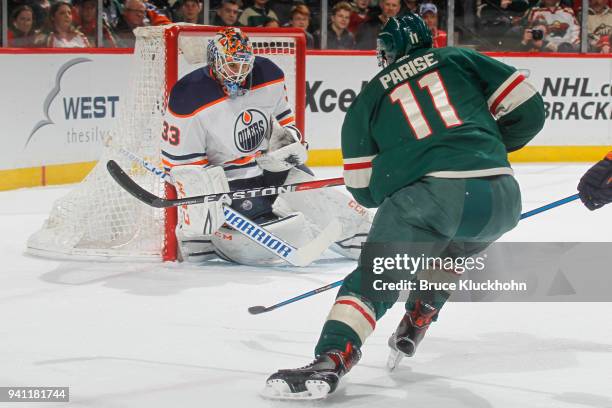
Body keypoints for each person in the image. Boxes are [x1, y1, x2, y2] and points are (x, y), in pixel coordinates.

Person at [264, 13, 545, 400]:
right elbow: (530, 110)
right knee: (449, 254)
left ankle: (334, 355)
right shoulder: (459, 58)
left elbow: (364, 192)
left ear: (386, 53)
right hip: (500, 198)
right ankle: (420, 314)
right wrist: (485, 146)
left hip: (432, 201)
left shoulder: (369, 98)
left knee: (376, 278)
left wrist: (400, 172)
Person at [160, 27, 373, 266]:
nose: (239, 73)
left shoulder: (268, 74)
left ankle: (369, 243)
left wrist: (287, 141)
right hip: (225, 183)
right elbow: (179, 166)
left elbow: (285, 122)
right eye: (231, 65)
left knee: (325, 200)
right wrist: (206, 193)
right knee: (281, 229)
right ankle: (204, 242)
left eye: (244, 64)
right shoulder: (188, 95)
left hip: (265, 170)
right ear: (215, 61)